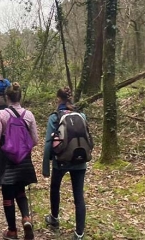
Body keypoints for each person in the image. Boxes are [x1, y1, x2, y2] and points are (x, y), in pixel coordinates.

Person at [0, 82, 38, 240]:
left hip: (6, 159)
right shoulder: (29, 115)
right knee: (21, 191)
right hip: (24, 160)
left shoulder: (2, 115)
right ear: (20, 97)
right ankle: (26, 219)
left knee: (7, 195)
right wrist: (23, 147)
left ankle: (12, 231)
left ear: (7, 97)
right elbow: (35, 140)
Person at [42, 87, 88, 240]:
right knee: (78, 195)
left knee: (55, 188)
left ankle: (54, 218)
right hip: (80, 161)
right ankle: (79, 233)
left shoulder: (55, 117)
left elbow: (49, 144)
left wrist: (45, 167)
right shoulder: (81, 115)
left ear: (58, 99)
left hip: (60, 161)